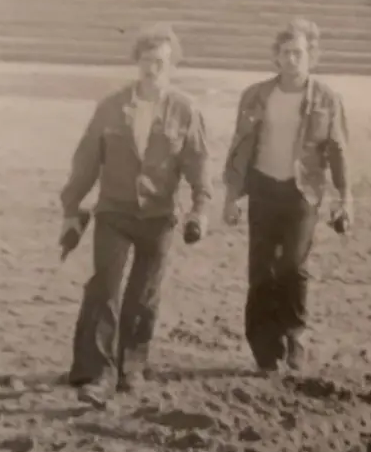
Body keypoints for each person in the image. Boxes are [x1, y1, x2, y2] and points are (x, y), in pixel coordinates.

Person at [57, 25, 212, 402]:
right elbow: (86, 161)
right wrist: (72, 207)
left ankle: (132, 368)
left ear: (172, 65)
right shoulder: (111, 107)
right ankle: (96, 373)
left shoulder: (186, 110)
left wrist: (200, 208)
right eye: (146, 61)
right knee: (104, 288)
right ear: (136, 63)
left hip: (159, 216)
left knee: (144, 294)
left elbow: (198, 164)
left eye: (160, 62)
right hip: (114, 210)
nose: (152, 69)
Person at [222, 20, 354, 373]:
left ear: (312, 57)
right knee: (261, 268)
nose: (292, 60)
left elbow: (338, 150)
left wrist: (345, 197)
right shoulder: (255, 95)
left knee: (292, 264)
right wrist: (232, 195)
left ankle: (294, 335)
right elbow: (239, 147)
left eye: (299, 53)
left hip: (303, 190)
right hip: (264, 187)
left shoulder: (327, 99)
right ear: (275, 58)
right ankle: (265, 349)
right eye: (286, 53)